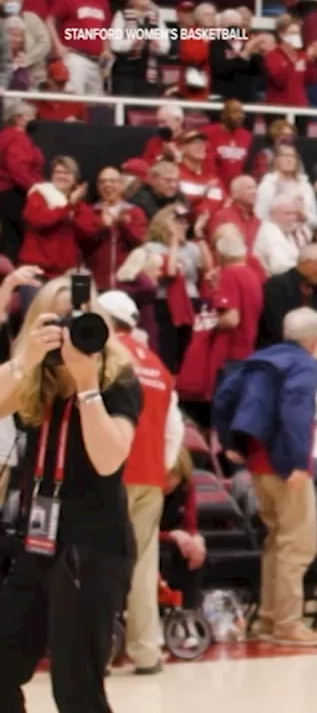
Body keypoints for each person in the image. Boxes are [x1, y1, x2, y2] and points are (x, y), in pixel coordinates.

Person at [0, 276, 144, 712]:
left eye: (78, 319)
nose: (67, 330)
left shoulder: (117, 378)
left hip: (92, 547)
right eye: (56, 319)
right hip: (36, 541)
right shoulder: (33, 377)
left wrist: (86, 386)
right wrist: (27, 359)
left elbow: (108, 460)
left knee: (76, 688)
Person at [212, 307, 317, 646]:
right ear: (313, 341)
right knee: (297, 545)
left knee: (275, 542)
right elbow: (295, 408)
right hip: (287, 464)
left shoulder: (260, 358)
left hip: (258, 463)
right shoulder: (303, 364)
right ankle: (288, 624)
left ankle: (269, 621)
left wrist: (230, 442)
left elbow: (224, 396)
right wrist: (298, 461)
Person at [97, 290, 185, 676]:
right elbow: (175, 429)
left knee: (97, 561)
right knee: (143, 566)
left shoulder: (104, 356)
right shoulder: (158, 367)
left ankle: (96, 652)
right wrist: (160, 467)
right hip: (149, 478)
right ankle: (147, 652)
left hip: (106, 475)